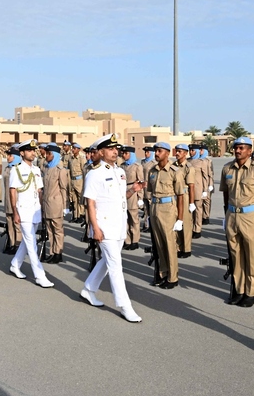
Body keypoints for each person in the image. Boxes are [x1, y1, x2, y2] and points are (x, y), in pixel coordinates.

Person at [79, 134, 145, 322]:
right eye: (110, 149)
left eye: (116, 149)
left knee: (106, 262)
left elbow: (120, 197)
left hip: (119, 225)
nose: (115, 152)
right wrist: (95, 228)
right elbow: (90, 203)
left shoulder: (120, 172)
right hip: (105, 226)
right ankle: (125, 306)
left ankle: (88, 289)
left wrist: (133, 190)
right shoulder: (94, 174)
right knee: (115, 265)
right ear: (101, 152)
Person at [220, 136, 254, 307]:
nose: (238, 150)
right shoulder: (227, 168)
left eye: (242, 148)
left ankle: (250, 292)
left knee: (251, 255)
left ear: (250, 151)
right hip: (232, 215)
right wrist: (226, 215)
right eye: (236, 147)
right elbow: (226, 194)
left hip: (250, 216)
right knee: (236, 255)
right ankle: (239, 289)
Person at [8, 140, 55, 288]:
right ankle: (40, 276)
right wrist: (15, 212)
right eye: (29, 150)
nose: (33, 153)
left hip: (35, 211)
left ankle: (15, 264)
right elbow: (13, 191)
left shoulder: (36, 170)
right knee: (32, 244)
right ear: (22, 153)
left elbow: (39, 191)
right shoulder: (16, 170)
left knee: (27, 241)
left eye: (34, 150)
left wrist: (41, 209)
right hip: (23, 210)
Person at [146, 142, 186, 288]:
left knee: (169, 244)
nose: (156, 154)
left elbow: (180, 196)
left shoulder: (175, 171)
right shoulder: (152, 171)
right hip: (154, 208)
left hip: (168, 209)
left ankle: (173, 277)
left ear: (167, 153)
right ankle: (163, 273)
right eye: (155, 151)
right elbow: (150, 192)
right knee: (159, 244)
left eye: (159, 151)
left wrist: (180, 219)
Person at [41, 143, 70, 264]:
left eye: (48, 154)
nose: (46, 156)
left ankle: (58, 253)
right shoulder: (47, 168)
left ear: (54, 155)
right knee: (50, 230)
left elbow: (64, 189)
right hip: (47, 204)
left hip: (56, 204)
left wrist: (65, 206)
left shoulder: (60, 170)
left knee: (57, 230)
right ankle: (52, 252)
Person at [120, 146, 144, 251]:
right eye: (123, 153)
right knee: (125, 218)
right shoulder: (122, 166)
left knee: (134, 218)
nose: (124, 155)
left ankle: (135, 240)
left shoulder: (137, 166)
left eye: (126, 153)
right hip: (123, 191)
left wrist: (140, 198)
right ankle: (128, 240)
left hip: (133, 192)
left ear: (131, 154)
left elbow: (141, 182)